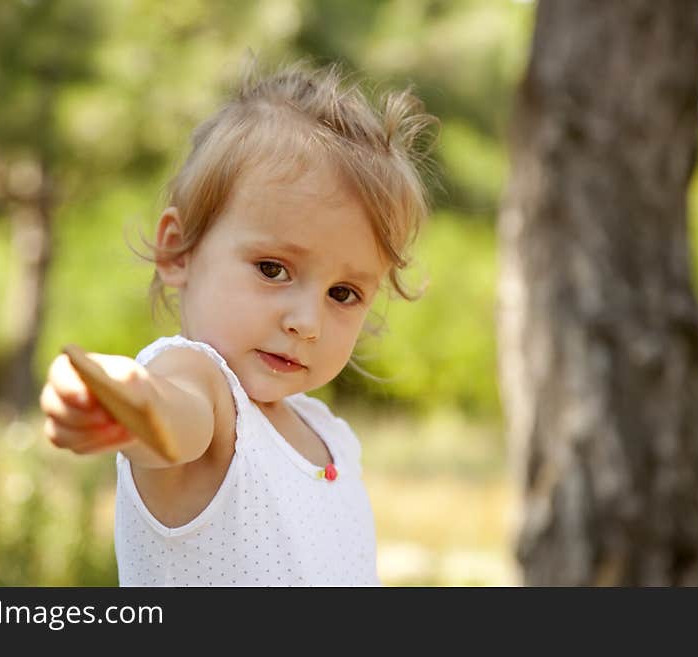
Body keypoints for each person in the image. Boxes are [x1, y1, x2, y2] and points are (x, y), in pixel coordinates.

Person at [39, 61, 435, 586]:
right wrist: (122, 398)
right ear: (178, 249)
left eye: (343, 293)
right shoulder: (205, 387)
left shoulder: (328, 436)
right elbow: (173, 417)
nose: (306, 322)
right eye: (273, 269)